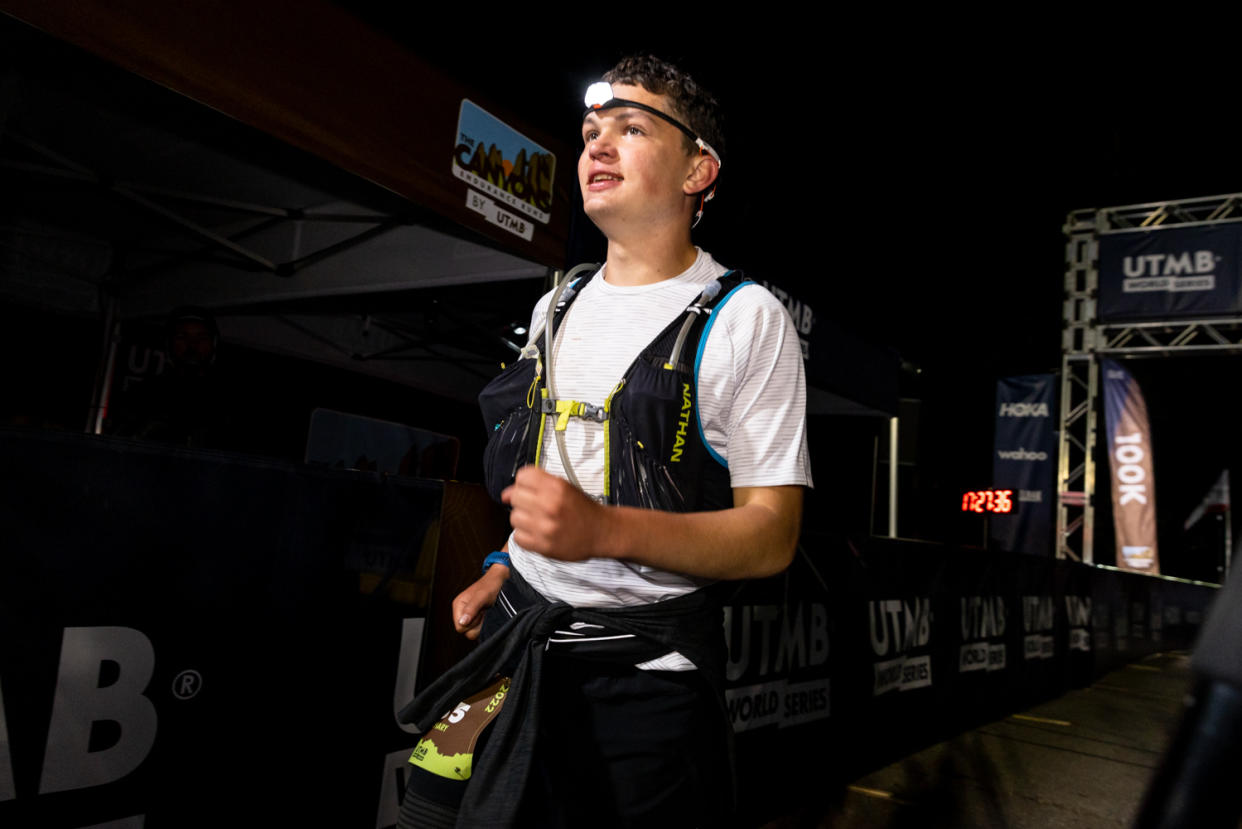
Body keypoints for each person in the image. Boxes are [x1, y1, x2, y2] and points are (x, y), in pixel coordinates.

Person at [397, 55, 812, 828]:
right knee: (426, 808)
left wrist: (605, 530)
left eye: (631, 128)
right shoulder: (560, 299)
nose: (597, 146)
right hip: (519, 644)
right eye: (591, 131)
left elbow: (772, 537)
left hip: (645, 681)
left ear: (699, 170)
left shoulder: (747, 318)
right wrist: (502, 567)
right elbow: (547, 473)